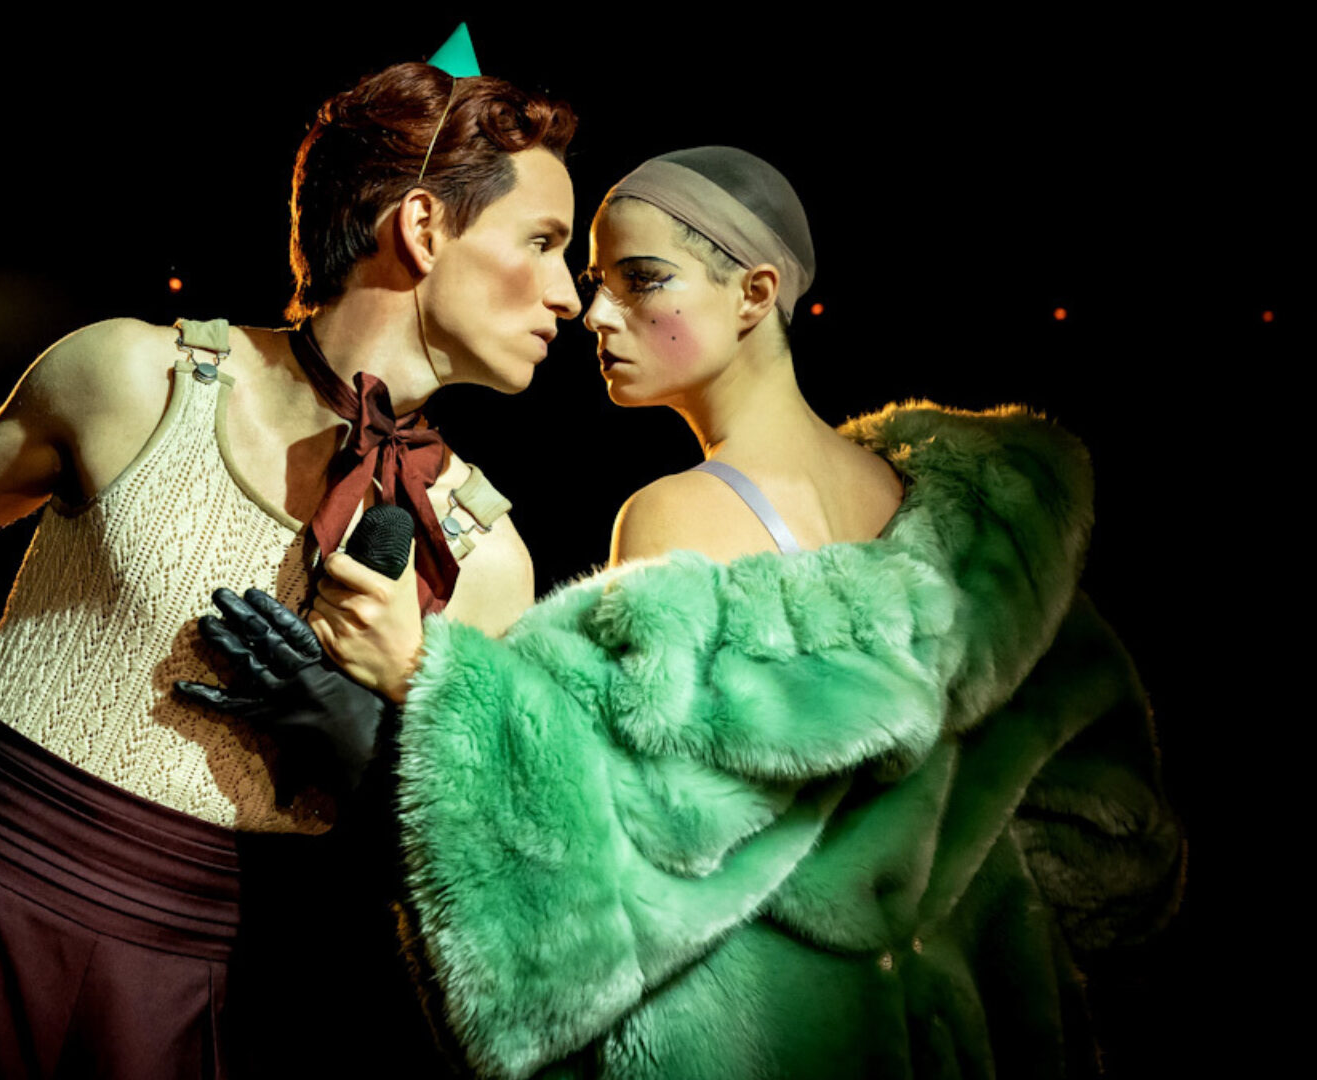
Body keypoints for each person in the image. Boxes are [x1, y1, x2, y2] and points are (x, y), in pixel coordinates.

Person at [0, 61, 580, 1078]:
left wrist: (374, 738)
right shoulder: (139, 379)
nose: (566, 292)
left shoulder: (483, 555)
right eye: (544, 243)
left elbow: (486, 888)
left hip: (197, 995)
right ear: (423, 229)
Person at [215, 147, 1182, 1077]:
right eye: (594, 281)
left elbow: (627, 839)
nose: (595, 312)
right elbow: (1115, 845)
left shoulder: (679, 512)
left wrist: (420, 676)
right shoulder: (983, 539)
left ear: (755, 294)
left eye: (642, 280)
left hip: (765, 1043)